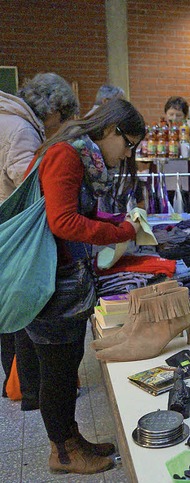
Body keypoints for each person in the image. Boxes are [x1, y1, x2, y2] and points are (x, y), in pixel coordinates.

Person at [22, 98, 145, 474]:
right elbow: (63, 222)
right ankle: (62, 452)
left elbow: (78, 211)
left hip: (60, 278)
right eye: (128, 144)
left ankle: (71, 438)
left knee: (64, 363)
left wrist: (116, 220)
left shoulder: (77, 156)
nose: (127, 155)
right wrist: (121, 230)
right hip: (50, 283)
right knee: (57, 371)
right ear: (110, 130)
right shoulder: (66, 155)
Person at [0, 72, 79, 410]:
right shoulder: (21, 128)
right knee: (23, 310)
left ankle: (16, 384)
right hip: (14, 231)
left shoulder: (10, 119)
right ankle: (29, 390)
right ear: (53, 111)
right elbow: (27, 182)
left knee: (11, 313)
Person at [163, 96, 190, 186]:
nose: (174, 118)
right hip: (162, 181)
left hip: (185, 182)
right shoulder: (159, 135)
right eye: (171, 114)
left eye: (178, 115)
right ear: (165, 114)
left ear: (185, 117)